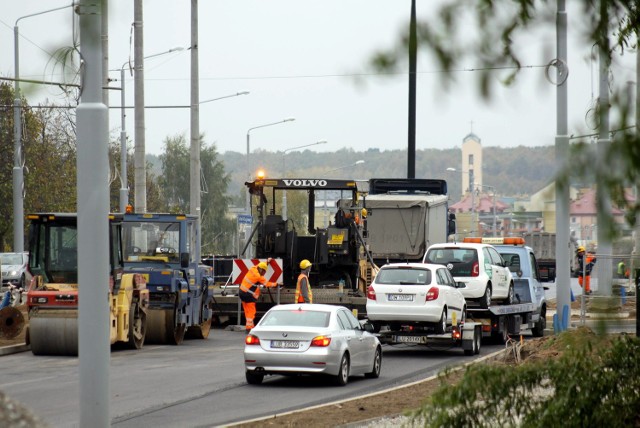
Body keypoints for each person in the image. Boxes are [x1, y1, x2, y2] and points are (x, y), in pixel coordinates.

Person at [239, 261, 279, 332]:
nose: (264, 274)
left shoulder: (253, 268)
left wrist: (267, 261)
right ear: (261, 270)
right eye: (264, 272)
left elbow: (260, 265)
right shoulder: (258, 276)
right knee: (251, 312)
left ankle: (249, 326)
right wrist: (276, 284)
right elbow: (267, 284)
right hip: (248, 295)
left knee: (247, 311)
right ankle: (249, 328)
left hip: (241, 292)